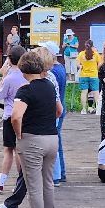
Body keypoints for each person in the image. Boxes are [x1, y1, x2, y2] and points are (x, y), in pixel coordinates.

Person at [10, 50, 61, 208]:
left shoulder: (25, 90)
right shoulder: (49, 85)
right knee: (48, 182)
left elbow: (16, 116)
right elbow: (59, 110)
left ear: (23, 69)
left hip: (32, 140)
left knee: (34, 186)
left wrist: (19, 134)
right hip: (52, 138)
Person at [0, 44, 26, 194]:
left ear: (9, 59)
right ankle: (22, 183)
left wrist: (3, 77)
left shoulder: (9, 77)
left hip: (10, 115)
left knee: (9, 150)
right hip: (24, 115)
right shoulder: (26, 74)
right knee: (20, 150)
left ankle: (1, 182)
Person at [49, 46, 68, 183]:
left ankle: (58, 174)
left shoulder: (53, 72)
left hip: (56, 110)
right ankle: (61, 172)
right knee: (57, 141)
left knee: (54, 143)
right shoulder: (60, 67)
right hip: (60, 107)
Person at [76, 41, 100, 114]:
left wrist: (81, 66)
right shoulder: (96, 54)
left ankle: (83, 109)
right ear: (92, 46)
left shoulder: (81, 54)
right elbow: (100, 64)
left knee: (84, 92)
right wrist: (96, 69)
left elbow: (77, 64)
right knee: (96, 93)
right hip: (94, 76)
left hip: (83, 75)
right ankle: (98, 110)